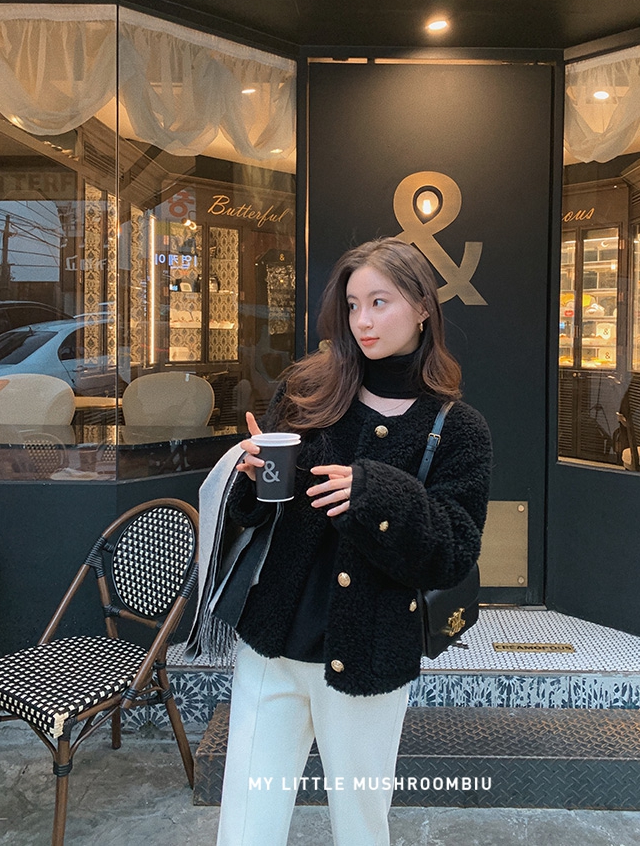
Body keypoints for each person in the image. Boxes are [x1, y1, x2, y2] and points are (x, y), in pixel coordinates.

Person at [196, 237, 492, 846]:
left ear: (422, 307)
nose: (362, 320)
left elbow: (454, 551)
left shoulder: (457, 427)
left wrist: (376, 493)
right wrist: (251, 478)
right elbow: (258, 515)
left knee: (360, 825)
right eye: (353, 305)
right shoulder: (307, 390)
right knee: (246, 825)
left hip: (369, 651)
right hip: (273, 647)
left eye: (379, 302)